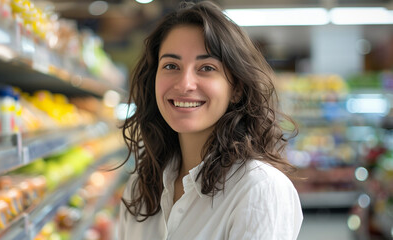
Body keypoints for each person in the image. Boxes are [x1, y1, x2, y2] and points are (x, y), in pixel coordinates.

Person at [118, 1, 303, 239]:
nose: (185, 84)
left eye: (206, 68)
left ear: (236, 88)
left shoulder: (259, 189)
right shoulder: (139, 187)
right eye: (171, 65)